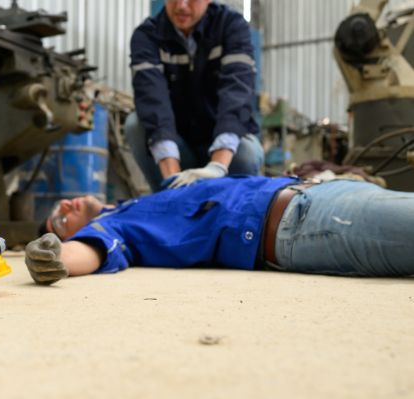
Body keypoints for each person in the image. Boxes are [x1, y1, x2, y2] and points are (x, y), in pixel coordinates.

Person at [25, 176, 414, 284]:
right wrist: (55, 255)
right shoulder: (116, 225)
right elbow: (93, 250)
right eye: (60, 222)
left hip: (323, 192)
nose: (64, 207)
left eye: (58, 207)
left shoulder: (135, 202)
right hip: (306, 222)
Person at [127, 0, 264, 192]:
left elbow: (237, 93)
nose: (182, 6)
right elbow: (152, 102)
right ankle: (167, 199)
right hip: (179, 145)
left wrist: (217, 166)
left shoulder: (231, 26)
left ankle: (233, 201)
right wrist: (174, 181)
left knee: (247, 153)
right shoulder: (147, 36)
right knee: (135, 124)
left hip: (223, 144)